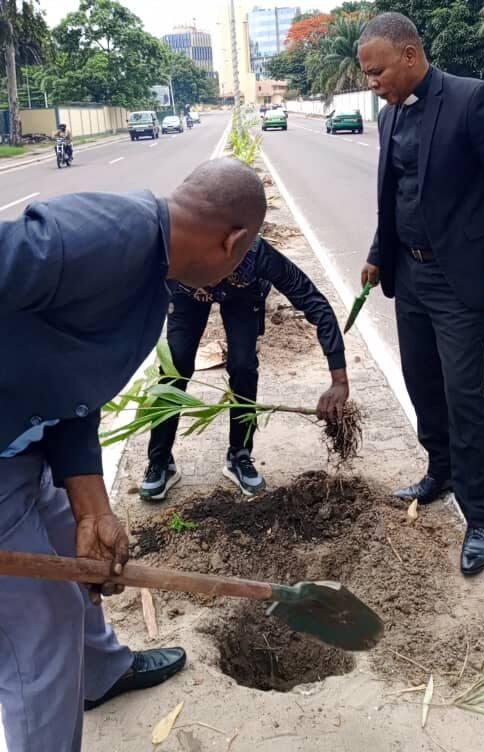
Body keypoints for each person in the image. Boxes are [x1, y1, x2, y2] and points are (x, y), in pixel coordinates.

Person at [0, 158, 267, 751]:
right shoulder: (105, 237)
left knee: (76, 535)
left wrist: (95, 508)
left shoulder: (150, 275)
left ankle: (100, 671)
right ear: (234, 241)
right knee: (40, 628)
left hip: (21, 446)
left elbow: (71, 388)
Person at [357, 13, 484, 575]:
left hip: (459, 278)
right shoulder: (388, 117)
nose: (371, 82)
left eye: (377, 71)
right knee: (423, 383)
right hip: (408, 275)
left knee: (464, 394)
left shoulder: (473, 101)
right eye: (366, 74)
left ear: (410, 56)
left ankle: (482, 513)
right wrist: (377, 251)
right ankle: (442, 470)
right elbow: (396, 196)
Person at [140, 236, 350, 500]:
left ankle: (239, 454)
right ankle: (160, 461)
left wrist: (339, 379)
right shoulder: (177, 251)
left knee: (244, 366)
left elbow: (314, 302)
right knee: (176, 365)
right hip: (187, 295)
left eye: (218, 273)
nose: (213, 281)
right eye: (207, 274)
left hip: (243, 294)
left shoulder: (256, 255)